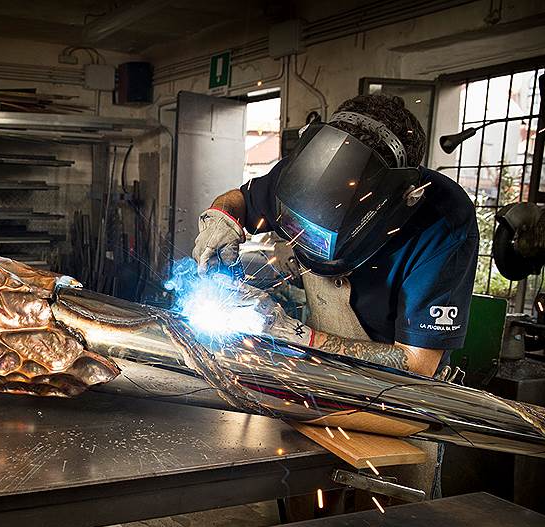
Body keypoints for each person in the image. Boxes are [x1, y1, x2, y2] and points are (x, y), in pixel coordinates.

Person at [193, 94, 477, 379]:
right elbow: (239, 200)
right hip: (318, 365)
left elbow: (418, 364)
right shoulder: (301, 173)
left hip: (394, 386)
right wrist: (221, 218)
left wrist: (297, 335)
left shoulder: (444, 225)